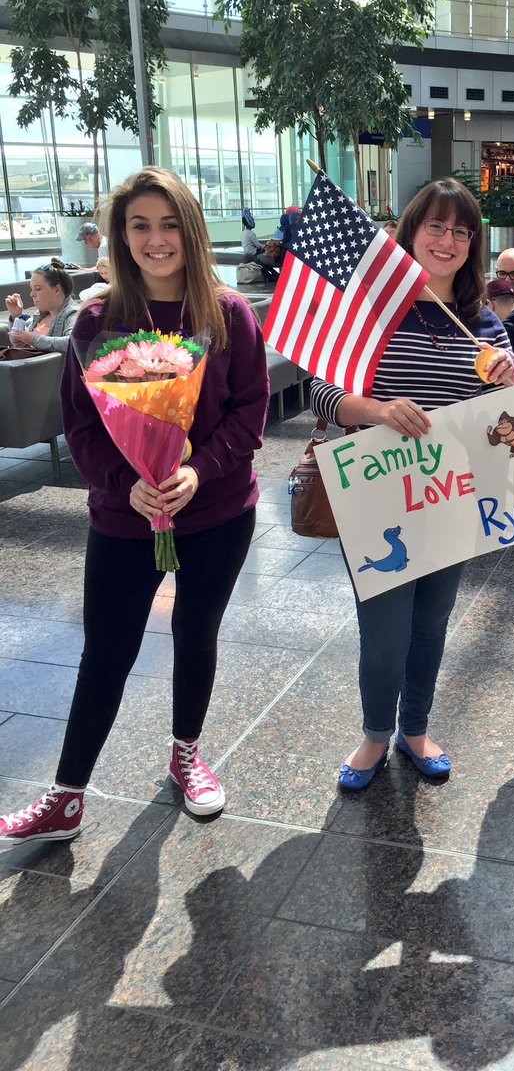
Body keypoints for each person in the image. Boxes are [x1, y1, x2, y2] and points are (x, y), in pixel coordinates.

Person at [0, 167, 270, 845]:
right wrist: (126, 484)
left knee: (195, 635)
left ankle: (186, 754)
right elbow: (82, 423)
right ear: (122, 236)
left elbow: (250, 412)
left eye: (170, 223)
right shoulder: (98, 319)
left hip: (216, 513)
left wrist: (196, 472)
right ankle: (67, 794)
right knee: (107, 651)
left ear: (191, 229)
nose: (157, 239)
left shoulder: (225, 313)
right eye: (141, 225)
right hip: (125, 518)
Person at [309, 178, 514, 791]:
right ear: (409, 232)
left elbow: (505, 415)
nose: (447, 240)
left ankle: (416, 727)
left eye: (461, 230)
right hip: (376, 494)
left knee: (431, 623)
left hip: (449, 495)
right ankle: (376, 732)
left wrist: (511, 379)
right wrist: (375, 410)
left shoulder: (483, 321)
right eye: (436, 225)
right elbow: (323, 391)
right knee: (383, 627)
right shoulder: (372, 310)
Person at [5, 260, 78, 352]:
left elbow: (73, 343)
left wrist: (33, 339)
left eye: (38, 289)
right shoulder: (42, 314)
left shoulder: (72, 314)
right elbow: (21, 345)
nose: (32, 294)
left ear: (57, 290)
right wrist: (17, 316)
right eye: (32, 289)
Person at [240, 207, 278, 283]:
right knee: (264, 260)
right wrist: (267, 245)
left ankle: (274, 275)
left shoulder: (243, 233)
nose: (255, 223)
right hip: (253, 254)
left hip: (247, 254)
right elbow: (258, 246)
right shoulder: (251, 234)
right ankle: (271, 276)